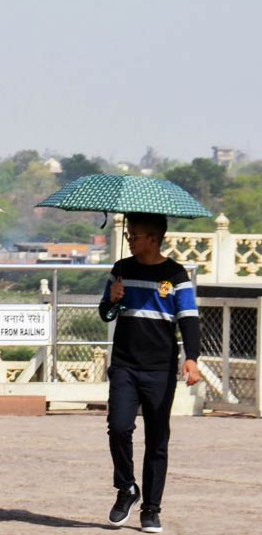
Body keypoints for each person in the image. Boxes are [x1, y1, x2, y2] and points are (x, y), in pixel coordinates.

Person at [100, 212, 201, 533]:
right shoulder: (121, 270)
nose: (129, 240)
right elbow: (106, 312)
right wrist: (112, 300)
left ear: (153, 239)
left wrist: (192, 357)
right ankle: (126, 487)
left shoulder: (176, 274)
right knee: (118, 427)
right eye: (128, 235)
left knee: (157, 439)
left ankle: (151, 509)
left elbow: (189, 318)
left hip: (160, 368)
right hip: (125, 365)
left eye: (135, 236)